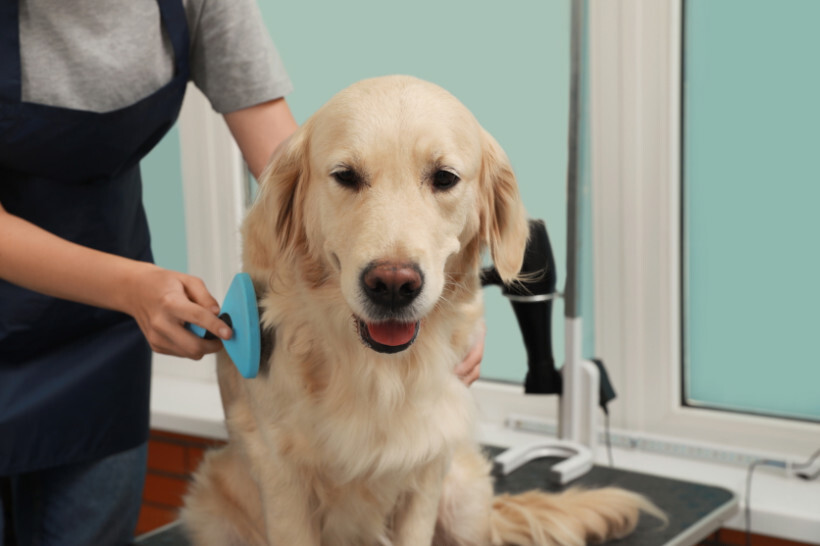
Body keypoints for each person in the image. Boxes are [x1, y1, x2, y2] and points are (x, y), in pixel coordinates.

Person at [0, 1, 485, 544]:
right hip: (110, 290)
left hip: (104, 328)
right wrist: (129, 286)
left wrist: (445, 299)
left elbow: (286, 163)